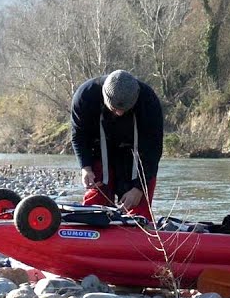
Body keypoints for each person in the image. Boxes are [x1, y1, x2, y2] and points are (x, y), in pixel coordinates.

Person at [70, 70, 164, 222]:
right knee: (95, 200)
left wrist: (139, 188)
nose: (120, 113)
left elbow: (153, 149)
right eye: (115, 108)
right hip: (99, 151)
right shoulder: (85, 97)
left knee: (138, 208)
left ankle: (139, 236)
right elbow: (78, 136)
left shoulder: (149, 102)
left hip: (135, 156)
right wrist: (85, 167)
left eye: (124, 109)